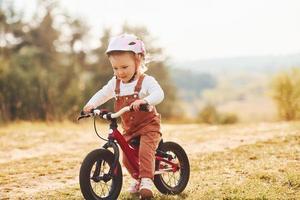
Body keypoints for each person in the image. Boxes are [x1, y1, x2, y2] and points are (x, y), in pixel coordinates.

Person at [83, 33, 164, 199]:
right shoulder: (115, 83)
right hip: (130, 128)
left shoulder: (146, 81)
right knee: (126, 158)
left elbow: (159, 93)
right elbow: (103, 93)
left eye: (124, 67)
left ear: (138, 61)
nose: (119, 72)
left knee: (145, 151)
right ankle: (137, 179)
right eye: (115, 68)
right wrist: (91, 105)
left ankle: (147, 180)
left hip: (148, 126)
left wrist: (145, 100)